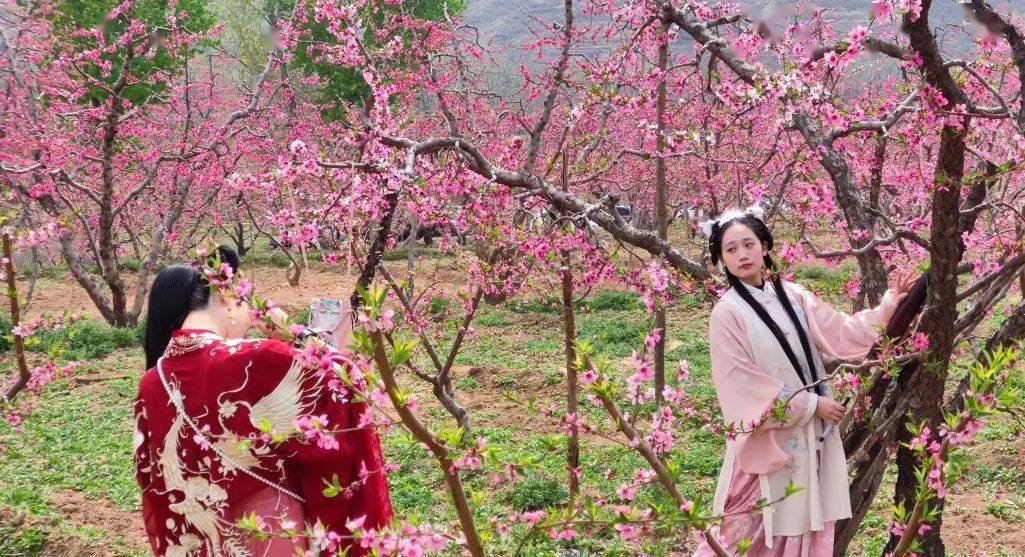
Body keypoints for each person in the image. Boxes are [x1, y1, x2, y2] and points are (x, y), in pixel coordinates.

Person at [134, 246, 392, 556]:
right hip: (269, 535)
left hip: (199, 540)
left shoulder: (151, 381)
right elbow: (345, 379)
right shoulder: (259, 357)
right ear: (226, 297)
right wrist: (296, 333)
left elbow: (151, 476)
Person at [693, 207, 916, 556]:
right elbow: (739, 386)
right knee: (748, 532)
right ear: (721, 260)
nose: (742, 255)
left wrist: (889, 305)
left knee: (802, 521)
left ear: (764, 246)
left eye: (748, 244)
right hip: (769, 438)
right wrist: (812, 405)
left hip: (810, 434)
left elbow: (840, 332)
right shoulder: (726, 314)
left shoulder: (794, 294)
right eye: (730, 250)